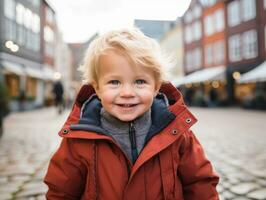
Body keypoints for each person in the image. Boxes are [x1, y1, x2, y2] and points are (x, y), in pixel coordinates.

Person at [44, 28, 219, 199]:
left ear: (156, 86)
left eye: (140, 82)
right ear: (97, 87)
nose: (127, 92)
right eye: (114, 82)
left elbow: (200, 183)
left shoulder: (178, 133)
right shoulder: (79, 139)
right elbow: (61, 191)